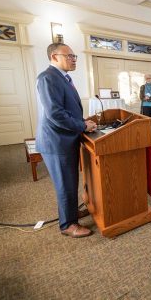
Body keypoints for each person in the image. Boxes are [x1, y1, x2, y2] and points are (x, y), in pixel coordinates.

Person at [36, 43, 97, 238]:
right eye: (69, 56)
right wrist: (82, 126)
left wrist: (82, 121)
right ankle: (68, 225)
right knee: (65, 184)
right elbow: (56, 114)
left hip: (64, 139)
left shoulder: (63, 77)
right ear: (54, 57)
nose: (73, 59)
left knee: (70, 181)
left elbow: (66, 109)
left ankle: (71, 213)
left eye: (74, 56)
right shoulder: (48, 77)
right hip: (56, 141)